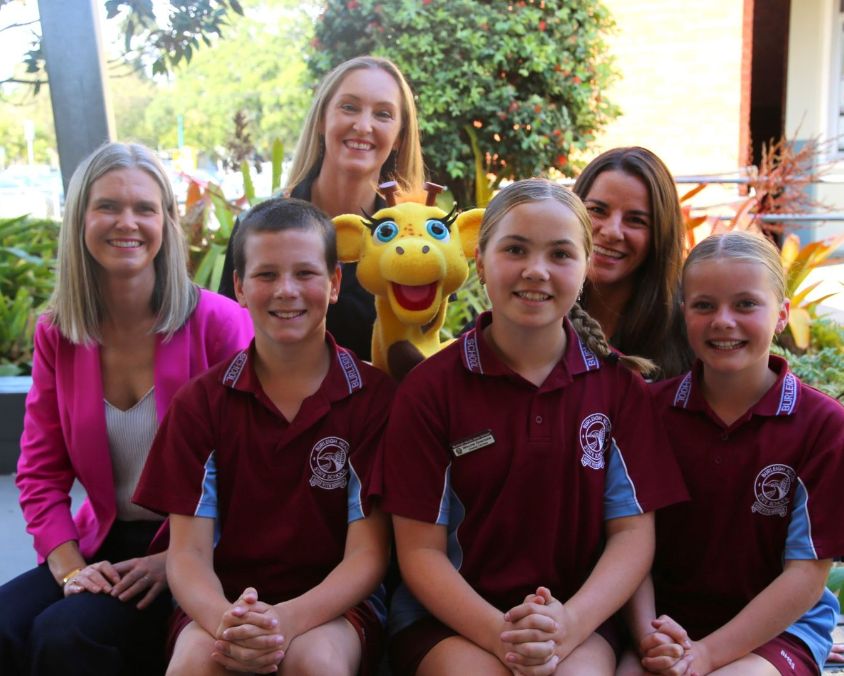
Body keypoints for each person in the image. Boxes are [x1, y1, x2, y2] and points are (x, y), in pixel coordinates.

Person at [379, 179, 688, 675]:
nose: (536, 270)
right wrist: (503, 638)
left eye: (561, 254)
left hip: (577, 619)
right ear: (480, 260)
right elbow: (419, 552)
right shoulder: (430, 389)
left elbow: (632, 535)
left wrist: (569, 624)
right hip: (451, 620)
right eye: (515, 249)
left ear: (587, 268)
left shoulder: (618, 390)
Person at [0, 142, 252, 676]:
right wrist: (70, 569)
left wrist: (175, 562)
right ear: (81, 219)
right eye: (108, 206)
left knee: (65, 637)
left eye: (144, 208)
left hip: (204, 547)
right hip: (103, 540)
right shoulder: (57, 333)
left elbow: (259, 471)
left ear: (166, 221)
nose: (127, 222)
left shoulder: (221, 324)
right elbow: (40, 473)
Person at [133, 198, 395, 676]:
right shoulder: (201, 403)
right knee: (194, 662)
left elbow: (368, 553)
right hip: (222, 604)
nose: (287, 291)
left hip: (332, 607)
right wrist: (226, 620)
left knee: (315, 661)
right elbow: (188, 553)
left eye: (305, 273)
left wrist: (286, 620)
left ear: (335, 283)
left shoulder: (374, 399)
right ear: (239, 286)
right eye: (266, 275)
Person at [621, 231, 843, 675]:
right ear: (684, 313)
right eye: (704, 305)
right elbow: (629, 542)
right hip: (663, 624)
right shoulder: (648, 410)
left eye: (745, 304)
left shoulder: (822, 424)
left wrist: (706, 655)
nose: (723, 320)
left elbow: (805, 575)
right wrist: (650, 636)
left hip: (779, 629)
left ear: (781, 315)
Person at [218, 55, 425, 361]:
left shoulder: (418, 240)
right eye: (349, 107)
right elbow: (230, 340)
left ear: (399, 137)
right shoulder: (257, 227)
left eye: (383, 114)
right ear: (321, 119)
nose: (363, 125)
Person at [573, 146, 692, 379]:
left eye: (635, 220)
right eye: (597, 210)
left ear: (660, 235)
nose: (611, 232)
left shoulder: (687, 328)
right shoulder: (535, 312)